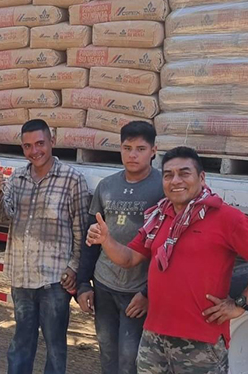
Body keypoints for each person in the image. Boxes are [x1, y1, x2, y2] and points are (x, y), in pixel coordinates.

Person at [86, 146, 248, 373]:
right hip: (154, 338)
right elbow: (129, 259)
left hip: (201, 342)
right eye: (168, 175)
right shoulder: (159, 217)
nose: (175, 180)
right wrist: (106, 240)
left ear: (202, 177)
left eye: (184, 173)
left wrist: (241, 304)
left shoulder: (227, 218)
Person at [0, 119, 90, 374]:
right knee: (21, 343)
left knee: (55, 347)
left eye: (40, 144)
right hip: (22, 277)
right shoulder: (18, 178)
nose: (34, 151)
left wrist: (74, 267)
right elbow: (2, 216)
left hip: (54, 281)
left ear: (52, 142)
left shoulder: (72, 180)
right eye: (27, 146)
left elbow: (80, 231)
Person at [75, 121, 164, 374]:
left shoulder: (162, 187)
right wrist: (83, 284)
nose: (133, 155)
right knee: (107, 350)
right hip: (104, 284)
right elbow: (91, 238)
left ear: (154, 150)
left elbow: (167, 249)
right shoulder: (107, 186)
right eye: (127, 148)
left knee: (129, 356)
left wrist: (148, 293)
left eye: (140, 149)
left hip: (137, 290)